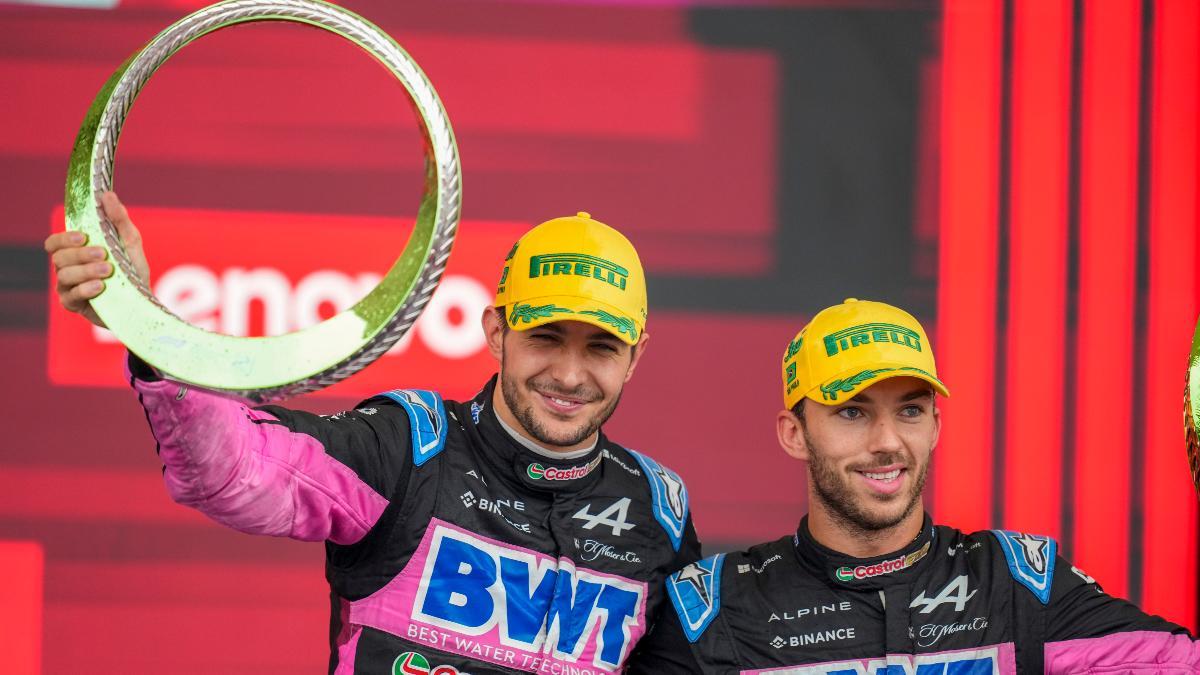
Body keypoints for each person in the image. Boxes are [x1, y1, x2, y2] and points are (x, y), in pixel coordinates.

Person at [45, 193, 701, 675]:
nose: (568, 373)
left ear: (636, 357)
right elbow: (234, 471)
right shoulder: (411, 447)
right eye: (546, 337)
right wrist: (144, 321)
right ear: (497, 331)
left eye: (601, 348)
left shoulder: (658, 510)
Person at [631, 298, 1200, 674]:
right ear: (794, 433)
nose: (887, 442)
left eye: (909, 411)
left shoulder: (1017, 579)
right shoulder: (713, 605)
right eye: (852, 413)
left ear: (935, 426)